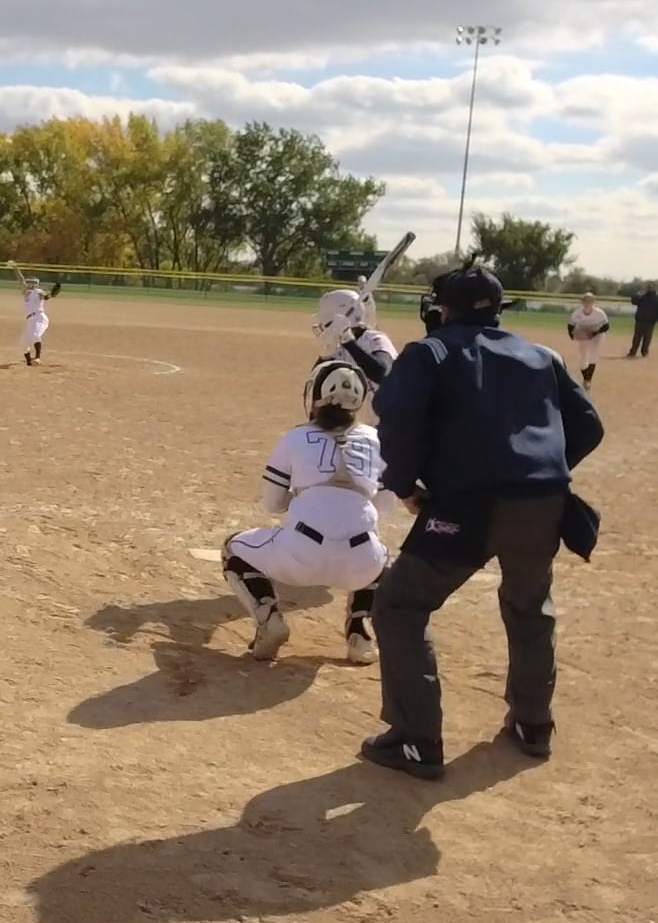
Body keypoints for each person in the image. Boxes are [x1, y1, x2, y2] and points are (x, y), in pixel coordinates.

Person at [363, 264, 604, 780]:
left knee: (401, 605)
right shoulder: (543, 355)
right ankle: (532, 726)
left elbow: (396, 418)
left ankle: (416, 740)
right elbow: (588, 425)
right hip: (542, 503)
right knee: (530, 607)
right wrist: (540, 472)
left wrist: (404, 485)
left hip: (467, 504)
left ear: (443, 309)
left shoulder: (430, 352)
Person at [223, 359, 393, 662]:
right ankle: (360, 634)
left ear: (315, 395)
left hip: (300, 556)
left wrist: (306, 496)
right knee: (380, 554)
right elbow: (384, 508)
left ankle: (268, 620)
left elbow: (272, 504)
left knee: (232, 548)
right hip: (360, 563)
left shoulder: (296, 436)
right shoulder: (377, 440)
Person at [309, 287, 399, 663]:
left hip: (387, 443)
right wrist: (326, 352)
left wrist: (349, 341)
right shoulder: (337, 343)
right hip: (352, 442)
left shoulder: (376, 340)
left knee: (368, 524)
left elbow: (386, 374)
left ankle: (359, 622)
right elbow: (316, 394)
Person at [8, 261, 57, 366]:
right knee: (23, 343)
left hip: (39, 317)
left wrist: (50, 295)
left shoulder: (38, 291)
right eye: (29, 282)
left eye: (33, 283)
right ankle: (29, 362)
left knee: (36, 336)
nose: (30, 284)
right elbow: (20, 279)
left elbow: (45, 296)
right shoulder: (26, 293)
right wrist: (15, 268)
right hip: (30, 320)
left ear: (36, 284)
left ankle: (38, 358)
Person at [567, 293, 610, 390]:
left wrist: (594, 333)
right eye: (585, 301)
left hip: (598, 335)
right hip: (584, 335)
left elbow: (606, 326)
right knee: (583, 358)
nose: (588, 303)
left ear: (594, 302)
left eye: (590, 301)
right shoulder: (577, 313)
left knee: (593, 356)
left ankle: (588, 380)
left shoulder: (599, 313)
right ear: (582, 302)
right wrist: (572, 335)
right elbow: (570, 325)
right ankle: (586, 378)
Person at [627, 285, 658, 357]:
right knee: (638, 338)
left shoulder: (657, 298)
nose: (649, 289)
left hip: (649, 321)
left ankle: (643, 352)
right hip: (641, 320)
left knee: (646, 338)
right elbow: (634, 301)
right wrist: (637, 294)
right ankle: (635, 352)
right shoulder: (643, 297)